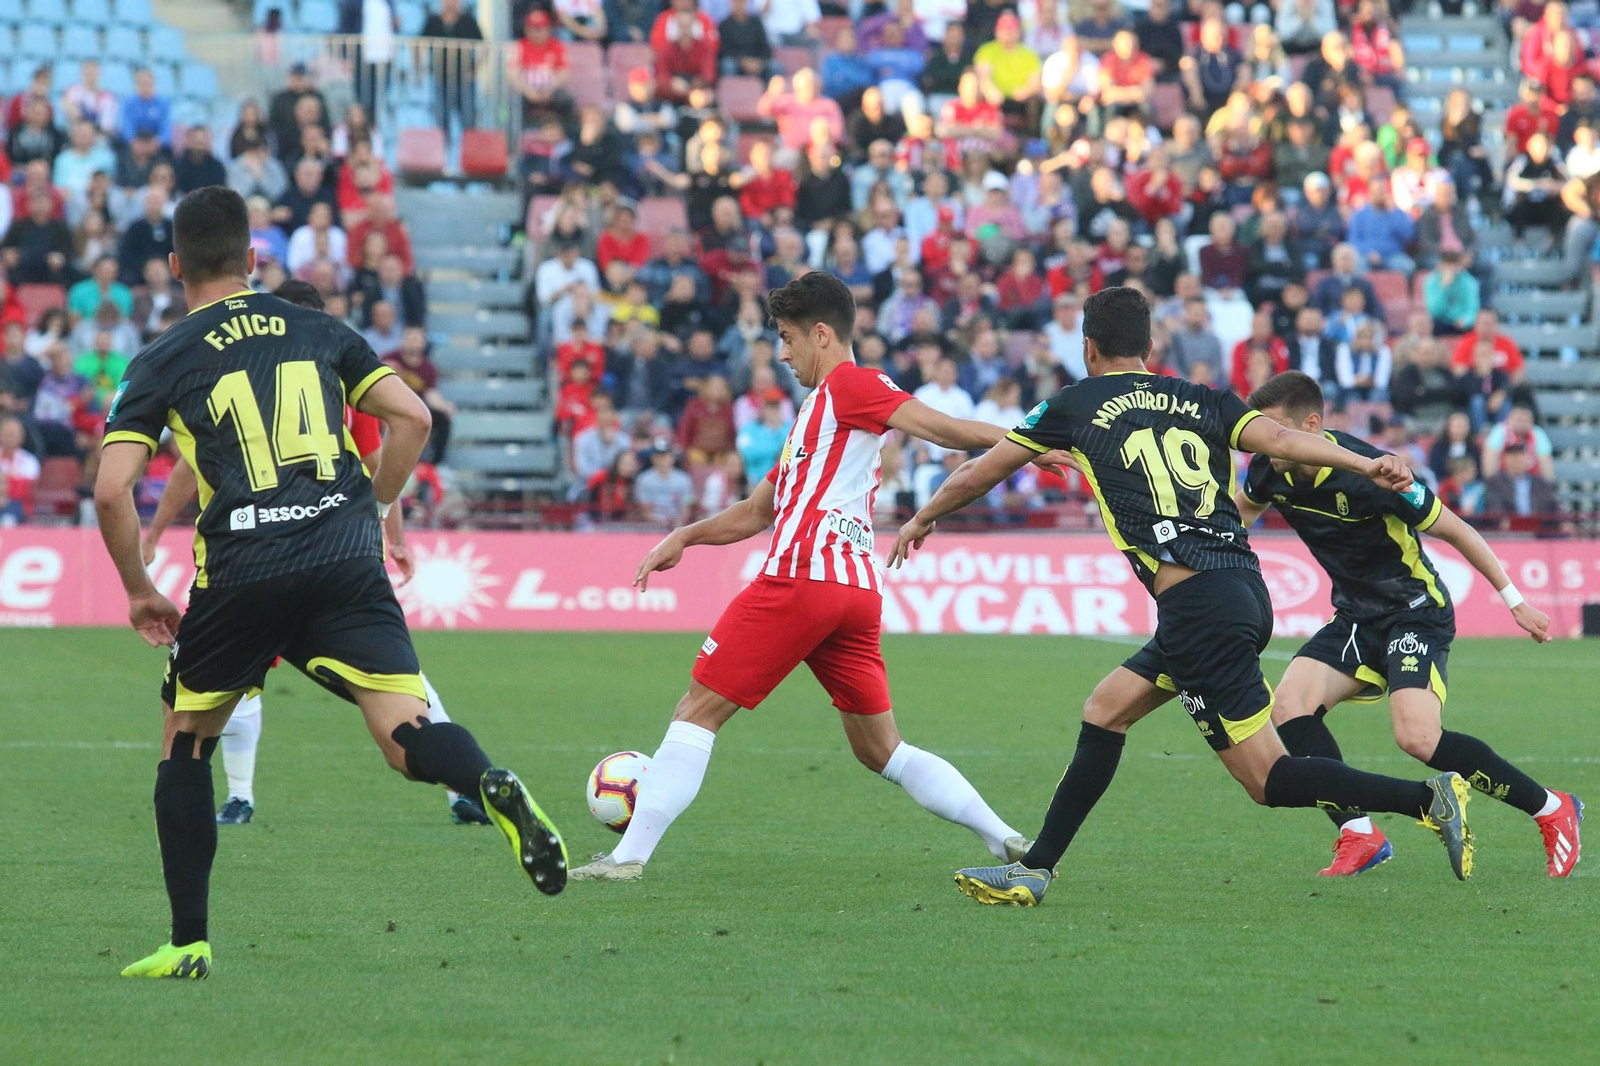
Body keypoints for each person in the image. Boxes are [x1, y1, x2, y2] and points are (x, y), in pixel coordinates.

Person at [94, 187, 566, 979]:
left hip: (241, 572)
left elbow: (113, 490)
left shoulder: (164, 358)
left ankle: (188, 941)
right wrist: (369, 508)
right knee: (404, 733)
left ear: (175, 266)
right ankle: (484, 781)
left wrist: (140, 588)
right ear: (253, 259)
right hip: (344, 560)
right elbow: (414, 419)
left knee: (186, 742)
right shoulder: (319, 328)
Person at [891, 286, 1476, 906]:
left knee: (1269, 780)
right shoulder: (1205, 399)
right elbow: (1282, 441)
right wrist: (1365, 463)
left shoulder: (1074, 403)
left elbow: (978, 471)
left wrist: (922, 517)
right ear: (1150, 346)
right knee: (1106, 709)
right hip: (1239, 590)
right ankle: (1035, 870)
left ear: (1088, 348)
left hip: (1200, 609)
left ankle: (1425, 799)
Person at [571, 271, 1035, 883]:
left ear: (821, 334)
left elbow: (937, 427)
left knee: (697, 709)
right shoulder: (815, 416)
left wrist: (1025, 442)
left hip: (802, 577)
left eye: (788, 339)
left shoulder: (851, 384)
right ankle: (1003, 837)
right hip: (854, 593)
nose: (783, 354)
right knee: (881, 750)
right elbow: (756, 512)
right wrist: (685, 535)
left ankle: (626, 858)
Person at [139, 279, 488, 828]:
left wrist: (155, 531)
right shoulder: (339, 363)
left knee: (217, 694)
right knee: (396, 686)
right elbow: (387, 451)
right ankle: (471, 785)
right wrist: (385, 527)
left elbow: (188, 463)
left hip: (249, 557)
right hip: (336, 552)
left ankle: (238, 799)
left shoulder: (233, 365)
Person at [1237, 371, 1580, 877]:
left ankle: (1552, 808)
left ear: (1310, 425)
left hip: (1413, 611)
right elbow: (1243, 511)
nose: (1265, 441)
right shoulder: (1269, 468)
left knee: (1417, 738)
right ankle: (1359, 834)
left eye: (1276, 429)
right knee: (1289, 706)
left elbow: (1458, 531)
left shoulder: (1375, 473)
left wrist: (1515, 601)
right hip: (1355, 616)